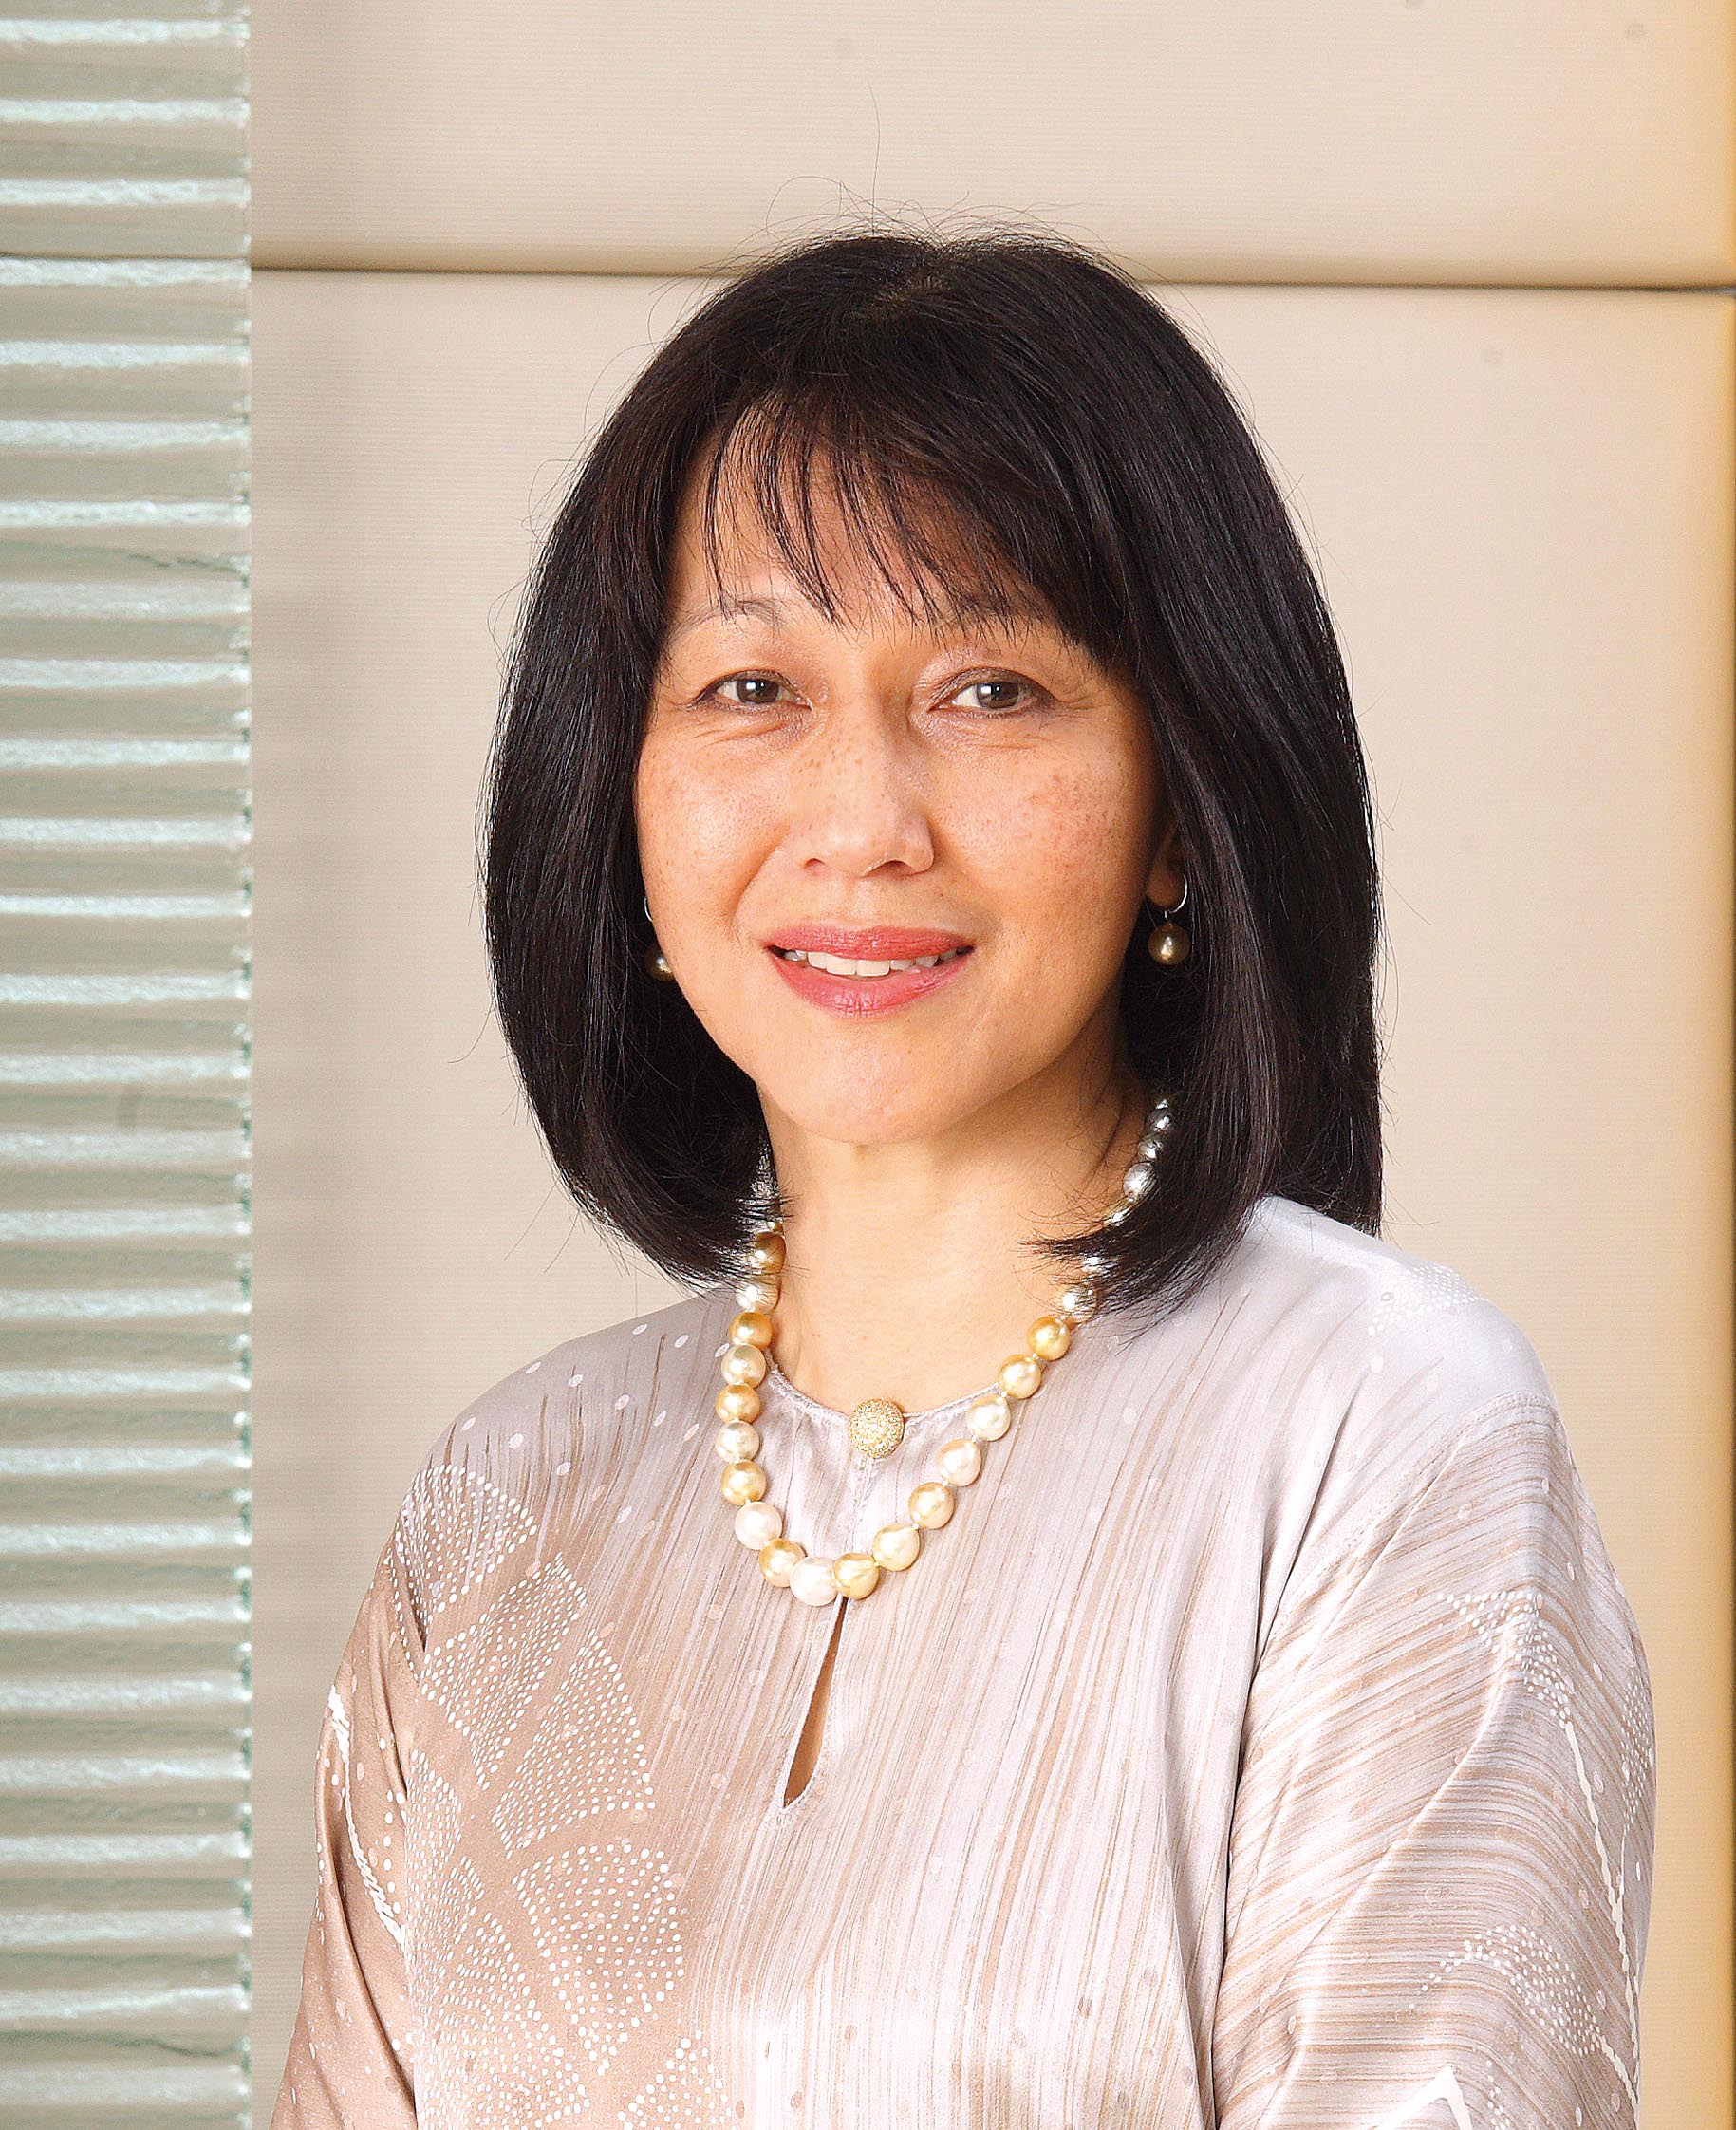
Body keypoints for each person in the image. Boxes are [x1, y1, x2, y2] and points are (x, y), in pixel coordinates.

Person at [269, 225, 1655, 2130]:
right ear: (620, 793)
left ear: (1181, 808)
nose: (860, 823)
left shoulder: (1379, 1435)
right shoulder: (505, 1500)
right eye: (750, 688)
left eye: (990, 689)